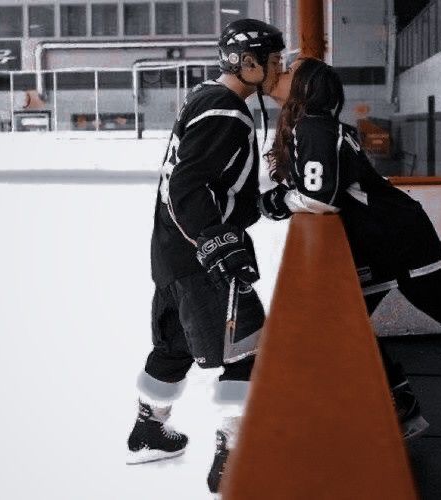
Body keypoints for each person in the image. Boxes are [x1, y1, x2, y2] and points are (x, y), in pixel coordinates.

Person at [260, 57, 441, 445]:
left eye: (289, 71)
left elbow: (319, 196)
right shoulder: (316, 127)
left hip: (400, 238)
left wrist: (274, 203)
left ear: (305, 86)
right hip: (377, 244)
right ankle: (399, 401)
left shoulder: (314, 126)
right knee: (341, 325)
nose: (281, 74)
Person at [126, 18, 285, 493]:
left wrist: (263, 203)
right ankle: (235, 454)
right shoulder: (225, 110)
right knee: (249, 349)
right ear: (249, 63)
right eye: (273, 61)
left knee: (175, 344)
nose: (279, 69)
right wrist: (216, 240)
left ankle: (150, 428)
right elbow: (188, 185)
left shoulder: (206, 98)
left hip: (173, 253)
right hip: (201, 256)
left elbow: (208, 182)